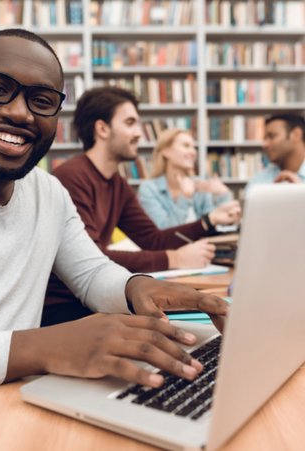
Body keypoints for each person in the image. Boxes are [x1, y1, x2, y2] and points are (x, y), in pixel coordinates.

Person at [0, 29, 230, 451]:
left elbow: (91, 273)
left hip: (20, 389)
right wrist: (36, 348)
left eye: (42, 101)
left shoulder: (48, 193)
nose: (19, 113)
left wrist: (136, 286)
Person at [42, 86, 239, 327]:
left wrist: (209, 220)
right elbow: (93, 259)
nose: (139, 133)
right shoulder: (72, 177)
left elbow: (150, 238)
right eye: (130, 123)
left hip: (96, 300)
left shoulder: (117, 184)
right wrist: (173, 258)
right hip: (64, 308)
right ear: (102, 128)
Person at [138, 128, 235, 229]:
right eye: (186, 146)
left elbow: (214, 226)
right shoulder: (149, 189)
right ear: (166, 151)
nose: (193, 152)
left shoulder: (200, 187)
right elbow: (163, 233)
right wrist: (185, 198)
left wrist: (224, 194)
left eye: (193, 147)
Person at [245, 113, 305, 196]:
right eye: (265, 139)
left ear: (296, 135)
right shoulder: (259, 181)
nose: (265, 145)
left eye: (272, 136)